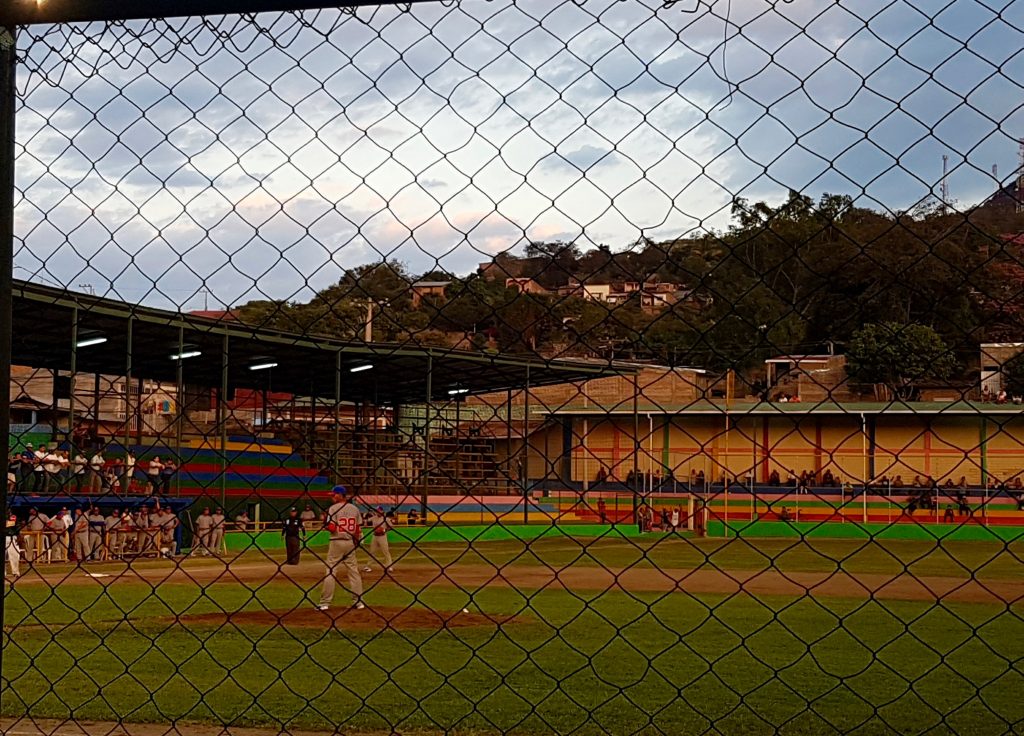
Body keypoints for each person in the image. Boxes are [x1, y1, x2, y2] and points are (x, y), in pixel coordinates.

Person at [317, 486, 364, 611]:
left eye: (334, 495)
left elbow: (332, 528)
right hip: (350, 542)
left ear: (340, 495)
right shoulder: (354, 508)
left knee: (331, 571)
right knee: (354, 572)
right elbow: (358, 530)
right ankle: (358, 602)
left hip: (336, 541)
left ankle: (325, 603)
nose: (332, 497)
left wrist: (325, 524)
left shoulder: (333, 508)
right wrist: (356, 542)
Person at [367, 505, 393, 573]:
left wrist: (384, 530)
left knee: (386, 551)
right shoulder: (374, 518)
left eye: (378, 510)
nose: (377, 512)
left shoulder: (386, 519)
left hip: (382, 536)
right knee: (372, 551)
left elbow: (391, 527)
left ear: (382, 511)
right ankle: (369, 566)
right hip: (375, 536)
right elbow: (367, 520)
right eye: (376, 511)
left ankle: (389, 566)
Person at [6, 513, 21, 577]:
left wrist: (18, 535)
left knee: (14, 555)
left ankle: (15, 572)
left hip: (10, 537)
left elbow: (11, 525)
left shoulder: (12, 516)